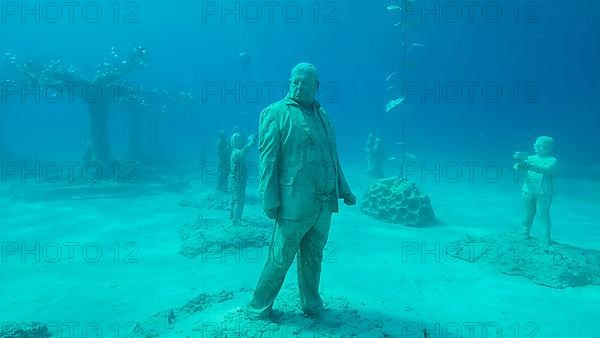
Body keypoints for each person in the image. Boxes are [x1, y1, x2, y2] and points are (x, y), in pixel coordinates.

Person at [247, 62, 356, 320]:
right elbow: (268, 161)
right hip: (293, 203)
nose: (297, 86)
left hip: (323, 203)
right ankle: (258, 307)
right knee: (280, 257)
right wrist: (269, 198)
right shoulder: (275, 113)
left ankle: (311, 303)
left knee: (314, 256)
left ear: (316, 86)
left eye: (304, 83)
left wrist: (344, 189)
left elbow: (333, 157)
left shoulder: (324, 116)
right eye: (294, 81)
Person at [513, 136, 557, 246]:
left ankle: (545, 237)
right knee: (528, 212)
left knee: (542, 214)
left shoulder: (552, 160)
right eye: (535, 145)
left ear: (549, 147)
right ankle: (524, 232)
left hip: (544, 191)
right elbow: (516, 167)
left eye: (540, 146)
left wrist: (530, 166)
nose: (536, 147)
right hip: (528, 189)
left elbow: (546, 169)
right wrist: (520, 162)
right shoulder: (530, 158)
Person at [229, 132, 256, 224]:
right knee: (239, 201)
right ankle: (236, 219)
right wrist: (251, 142)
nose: (241, 141)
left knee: (234, 200)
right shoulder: (236, 153)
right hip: (237, 180)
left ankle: (232, 216)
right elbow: (243, 152)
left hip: (235, 180)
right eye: (238, 140)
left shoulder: (234, 152)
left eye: (241, 139)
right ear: (234, 142)